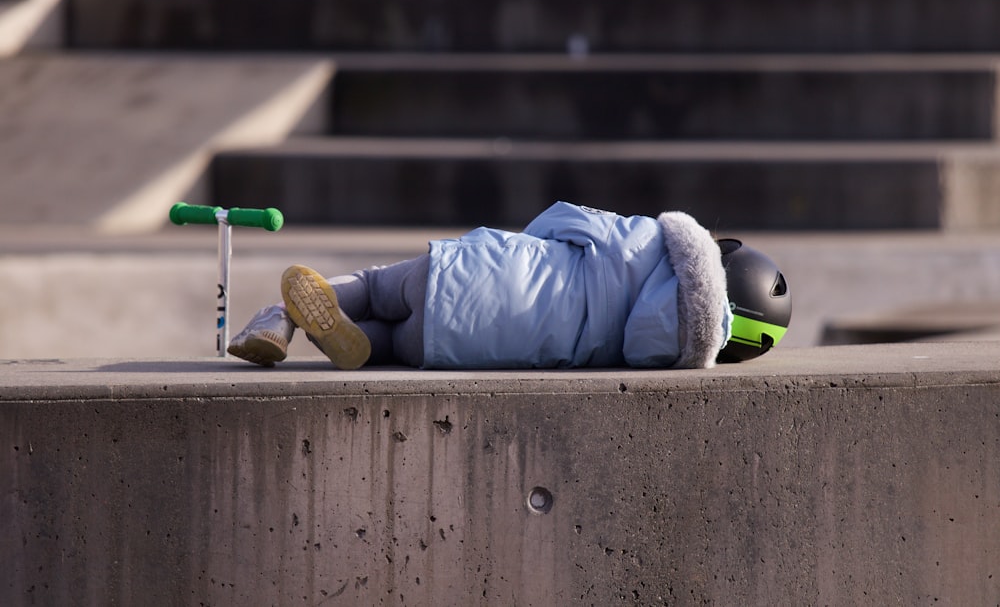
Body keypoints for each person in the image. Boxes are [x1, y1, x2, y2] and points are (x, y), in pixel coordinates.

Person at [227, 202, 791, 370]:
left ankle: (278, 317)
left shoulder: (643, 240)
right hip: (460, 346)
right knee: (385, 341)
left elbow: (558, 220)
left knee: (375, 289)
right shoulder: (654, 356)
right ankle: (356, 344)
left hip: (474, 275)